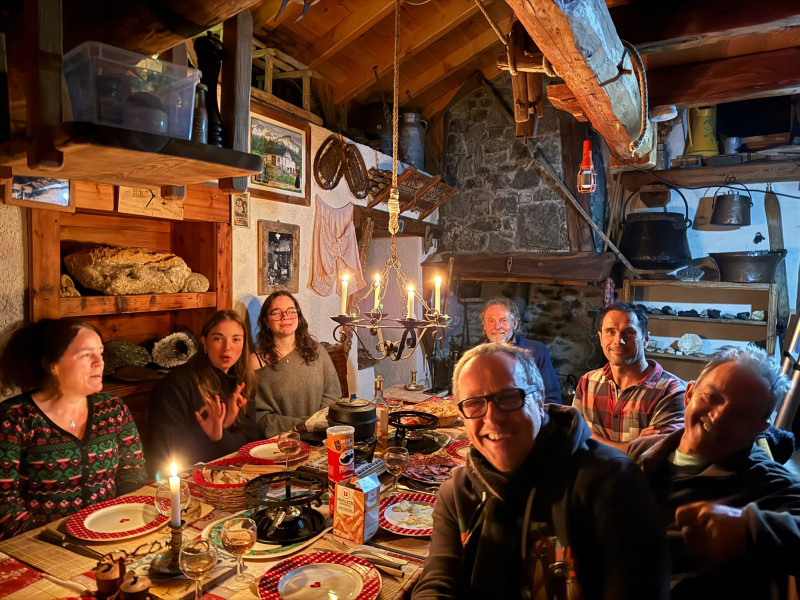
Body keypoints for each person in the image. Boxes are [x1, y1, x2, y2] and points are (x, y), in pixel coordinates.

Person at [412, 342, 669, 600]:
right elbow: (438, 582)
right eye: (475, 404)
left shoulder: (612, 482)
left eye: (510, 397)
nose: (492, 418)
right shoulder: (457, 492)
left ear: (539, 399)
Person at [628, 346, 800, 599]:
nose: (718, 416)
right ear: (689, 394)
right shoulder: (641, 454)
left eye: (741, 413)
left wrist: (748, 527)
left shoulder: (770, 483)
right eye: (712, 397)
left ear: (759, 428)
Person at [0, 319, 146, 540]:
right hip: (40, 547)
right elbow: (5, 504)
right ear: (53, 365)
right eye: (87, 355)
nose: (100, 363)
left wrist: (121, 522)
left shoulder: (113, 409)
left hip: (110, 534)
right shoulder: (15, 418)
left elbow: (133, 473)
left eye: (101, 353)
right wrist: (49, 543)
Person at [148, 310, 257, 477]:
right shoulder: (177, 384)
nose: (227, 348)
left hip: (232, 475)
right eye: (218, 339)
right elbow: (167, 453)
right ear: (204, 343)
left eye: (236, 339)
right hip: (184, 480)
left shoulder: (243, 382)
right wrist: (212, 434)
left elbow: (248, 445)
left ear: (243, 345)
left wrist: (223, 429)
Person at [573, 302, 685, 451]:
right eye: (610, 332)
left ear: (645, 339)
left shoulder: (671, 391)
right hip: (592, 474)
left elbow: (655, 454)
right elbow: (576, 438)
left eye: (629, 332)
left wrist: (593, 439)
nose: (618, 340)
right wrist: (632, 446)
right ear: (600, 338)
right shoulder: (587, 382)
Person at [252, 291, 341, 438]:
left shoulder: (317, 351)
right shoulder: (255, 362)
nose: (285, 316)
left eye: (291, 311)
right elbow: (259, 417)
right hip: (280, 443)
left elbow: (332, 396)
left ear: (298, 316)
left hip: (320, 437)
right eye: (277, 312)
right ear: (266, 321)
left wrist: (316, 425)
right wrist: (301, 426)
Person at [480, 297, 562, 403]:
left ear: (514, 324)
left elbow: (552, 399)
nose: (497, 327)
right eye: (491, 321)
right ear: (485, 326)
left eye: (503, 320)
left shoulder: (537, 351)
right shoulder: (477, 356)